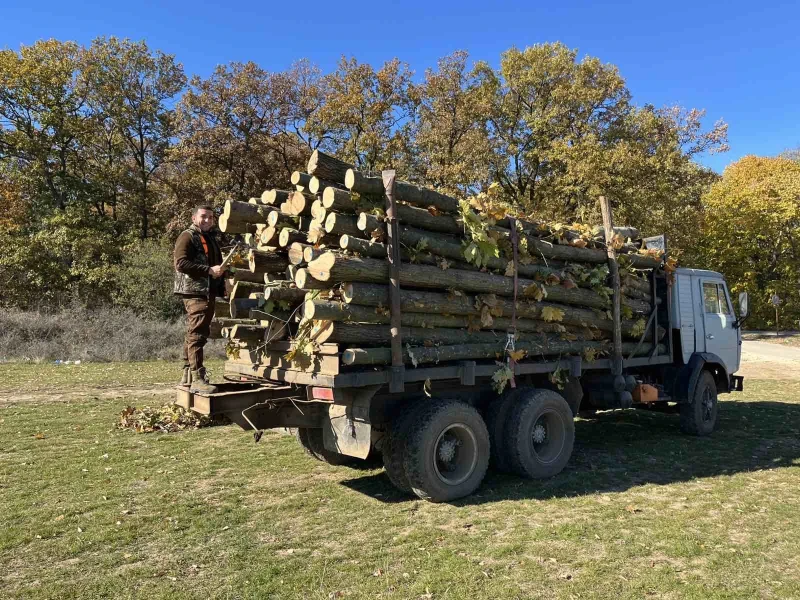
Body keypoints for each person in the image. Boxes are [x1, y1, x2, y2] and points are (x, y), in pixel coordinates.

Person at [174, 205, 226, 392]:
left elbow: (213, 266)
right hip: (195, 292)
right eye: (203, 217)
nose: (207, 220)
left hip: (207, 291)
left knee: (195, 331)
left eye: (211, 217)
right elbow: (181, 263)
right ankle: (198, 377)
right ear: (194, 217)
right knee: (197, 333)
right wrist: (209, 270)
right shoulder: (187, 236)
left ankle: (187, 375)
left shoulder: (209, 238)